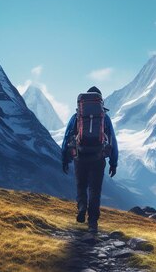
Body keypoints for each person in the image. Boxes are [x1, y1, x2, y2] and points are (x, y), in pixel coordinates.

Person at [61, 86, 118, 232]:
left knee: (81, 186)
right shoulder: (104, 118)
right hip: (98, 158)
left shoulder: (77, 117)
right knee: (95, 190)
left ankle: (81, 208)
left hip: (80, 157)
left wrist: (64, 159)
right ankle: (92, 222)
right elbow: (112, 140)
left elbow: (67, 137)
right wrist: (113, 162)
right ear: (100, 101)